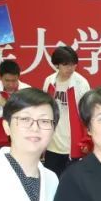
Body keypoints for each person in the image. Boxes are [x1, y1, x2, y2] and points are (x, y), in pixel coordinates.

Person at [42, 46, 92, 176]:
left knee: (73, 181)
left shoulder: (81, 83)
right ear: (57, 65)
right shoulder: (49, 81)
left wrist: (87, 140)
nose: (70, 68)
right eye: (66, 65)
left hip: (73, 143)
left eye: (73, 64)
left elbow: (88, 113)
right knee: (52, 180)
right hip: (53, 143)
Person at [0, 60, 29, 157]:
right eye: (7, 81)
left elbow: (27, 115)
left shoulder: (26, 90)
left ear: (18, 77)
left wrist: (6, 104)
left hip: (21, 141)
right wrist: (17, 109)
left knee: (19, 167)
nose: (11, 84)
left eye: (14, 80)